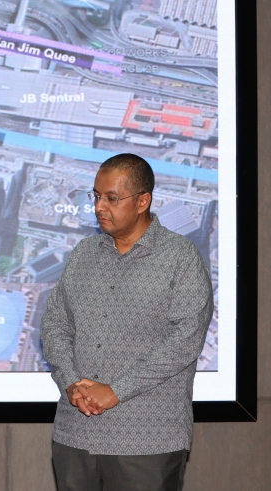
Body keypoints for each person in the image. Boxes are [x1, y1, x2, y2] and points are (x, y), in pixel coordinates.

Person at [41, 153, 214, 491]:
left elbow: (185, 341)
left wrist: (116, 391)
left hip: (146, 439)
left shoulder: (180, 257)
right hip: (75, 432)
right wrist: (71, 381)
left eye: (112, 198)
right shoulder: (83, 254)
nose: (99, 207)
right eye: (96, 196)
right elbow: (55, 325)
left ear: (142, 201)